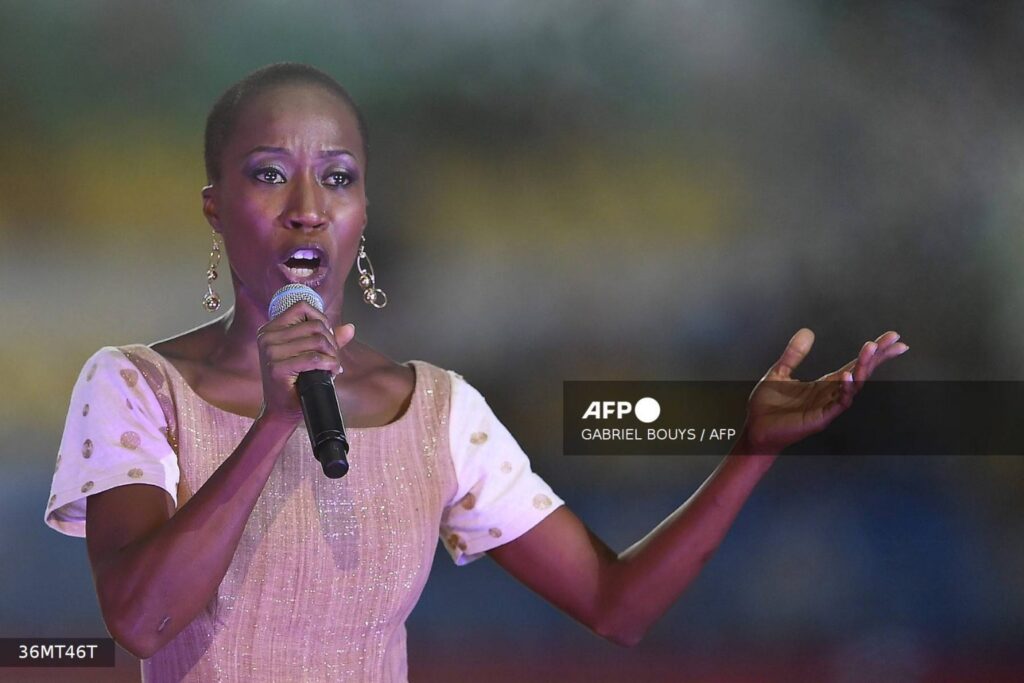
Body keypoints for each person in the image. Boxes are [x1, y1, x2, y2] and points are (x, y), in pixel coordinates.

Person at [43, 63, 908, 682]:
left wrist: (750, 449)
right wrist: (274, 424)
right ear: (214, 204)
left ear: (363, 212)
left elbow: (618, 605)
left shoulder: (438, 410)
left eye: (337, 178)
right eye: (268, 174)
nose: (306, 205)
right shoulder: (135, 387)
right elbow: (141, 619)